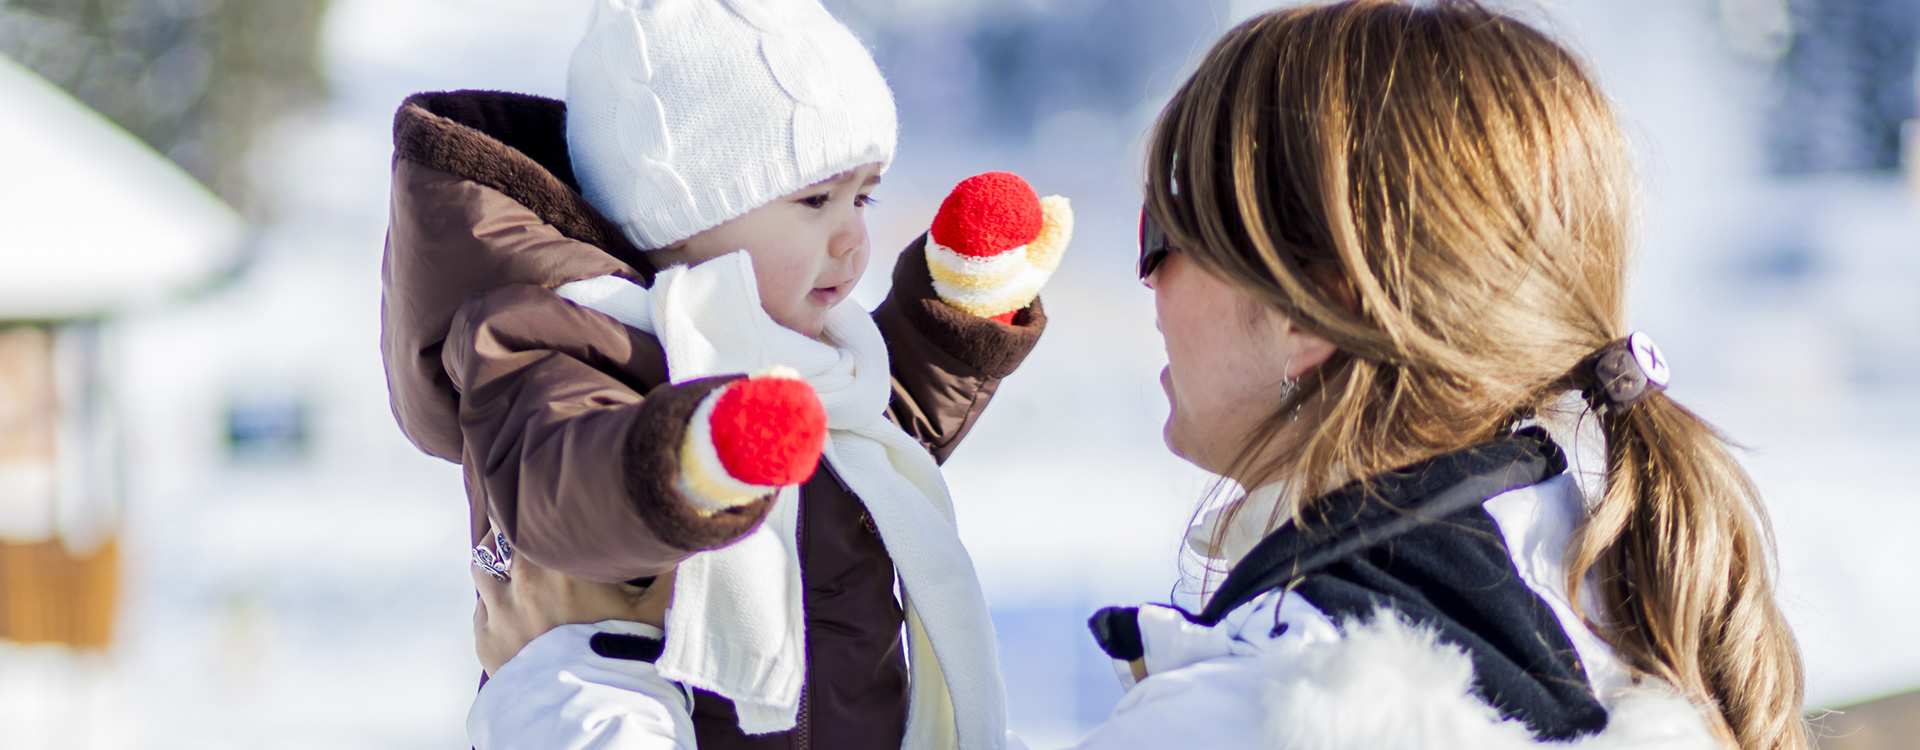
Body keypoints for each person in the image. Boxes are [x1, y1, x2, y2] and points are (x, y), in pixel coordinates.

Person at [1070, 1, 1801, 748]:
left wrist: (935, 491)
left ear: (1311, 309)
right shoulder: (1627, 622)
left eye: (1163, 232)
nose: (1149, 284)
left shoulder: (1240, 714)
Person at [378, 0, 1072, 748]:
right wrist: (693, 461)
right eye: (815, 199)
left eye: (862, 196)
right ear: (676, 214)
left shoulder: (808, 356)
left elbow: (870, 440)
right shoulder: (561, 340)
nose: (853, 240)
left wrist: (956, 318)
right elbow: (563, 479)